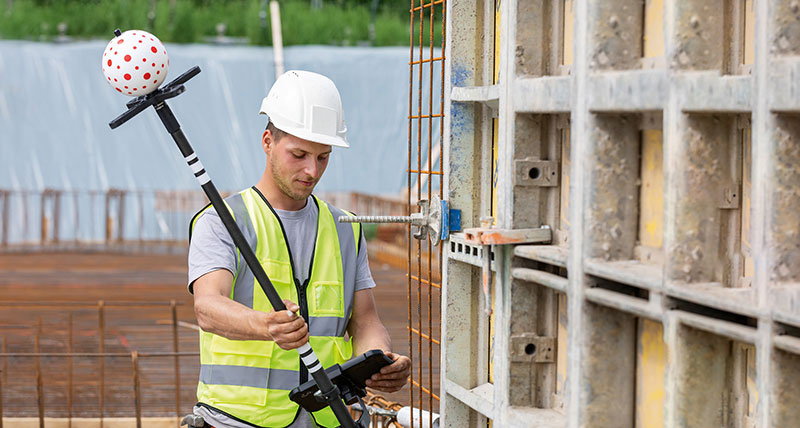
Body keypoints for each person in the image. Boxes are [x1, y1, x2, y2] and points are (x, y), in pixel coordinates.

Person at [187, 70, 411, 428]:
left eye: (323, 157)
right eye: (299, 154)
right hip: (238, 420)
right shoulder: (224, 220)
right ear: (267, 142)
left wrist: (379, 359)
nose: (311, 170)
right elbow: (208, 307)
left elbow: (365, 319)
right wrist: (264, 325)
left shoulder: (344, 230)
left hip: (328, 418)